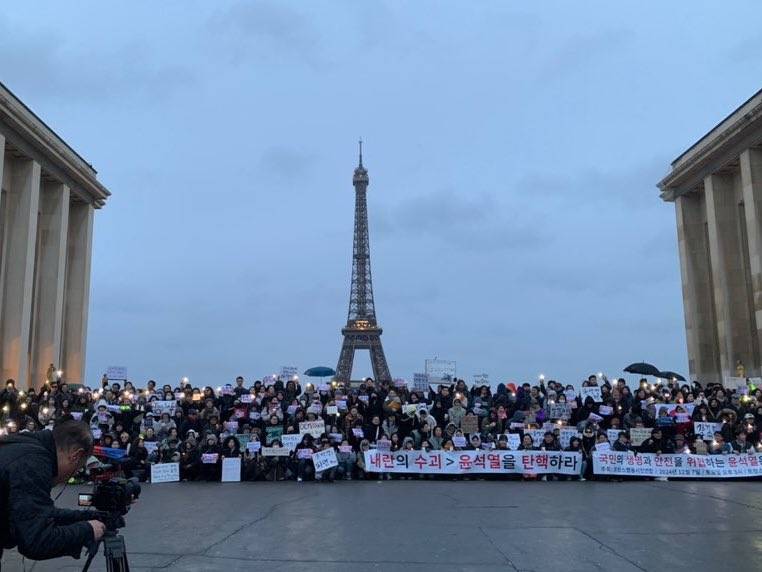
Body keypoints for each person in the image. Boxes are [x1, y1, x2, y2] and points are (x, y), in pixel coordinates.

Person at [0, 420, 105, 561]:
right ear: (76, 456)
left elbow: (38, 513)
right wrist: (87, 530)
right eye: (77, 469)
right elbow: (36, 542)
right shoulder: (33, 462)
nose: (71, 476)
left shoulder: (25, 447)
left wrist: (87, 517)